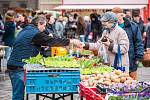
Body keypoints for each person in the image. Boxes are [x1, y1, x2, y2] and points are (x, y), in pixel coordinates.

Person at [7, 15, 82, 100]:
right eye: (44, 26)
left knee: (18, 94)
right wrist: (71, 41)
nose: (44, 29)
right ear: (39, 24)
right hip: (17, 66)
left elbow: (27, 44)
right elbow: (52, 41)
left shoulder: (26, 30)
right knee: (18, 96)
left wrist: (40, 46)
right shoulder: (34, 32)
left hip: (16, 64)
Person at [112, 7, 144, 80]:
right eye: (114, 15)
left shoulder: (133, 26)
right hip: (116, 59)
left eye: (117, 14)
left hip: (131, 59)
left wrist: (138, 58)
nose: (115, 17)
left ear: (122, 15)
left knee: (132, 82)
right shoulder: (111, 28)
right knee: (117, 82)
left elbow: (138, 42)